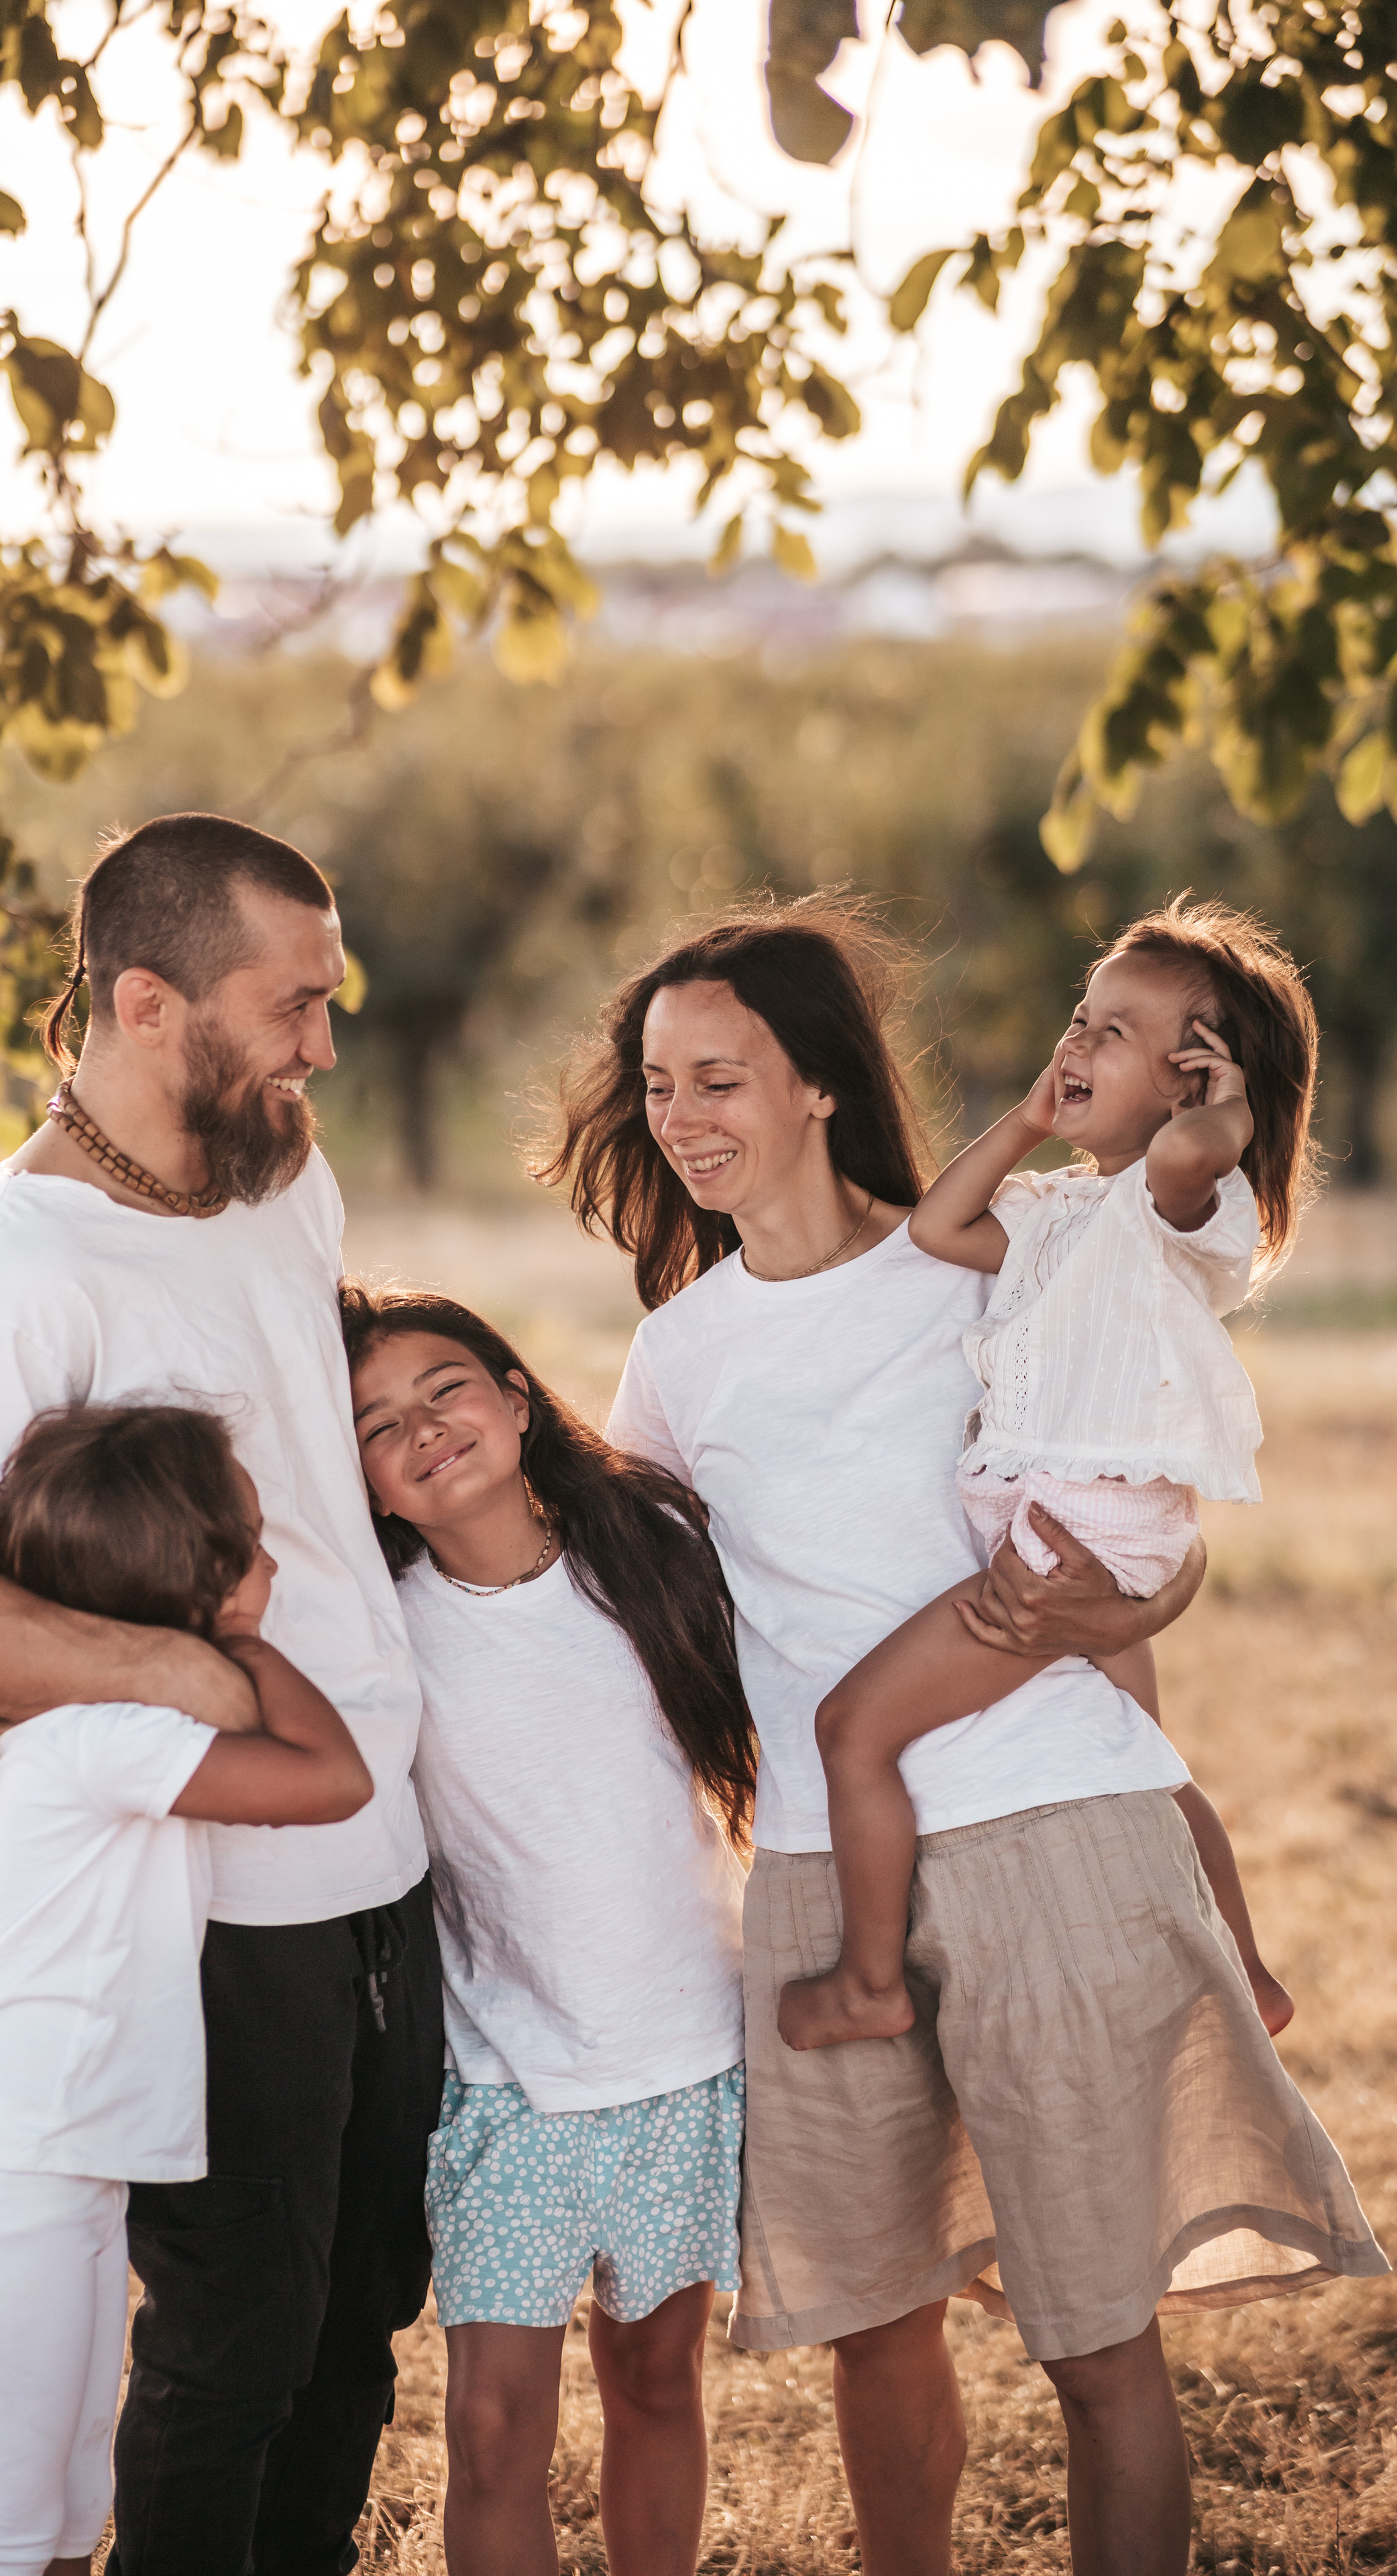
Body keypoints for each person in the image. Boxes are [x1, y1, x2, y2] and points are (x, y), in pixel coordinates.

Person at [544, 894, 1388, 2576]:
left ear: (818, 1085)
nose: (682, 1117)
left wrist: (1157, 1595)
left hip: (1043, 1826)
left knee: (1090, 2336)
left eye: (721, 1077)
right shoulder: (676, 1356)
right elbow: (628, 1613)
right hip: (814, 1866)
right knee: (873, 2323)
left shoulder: (996, 1261)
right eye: (656, 1084)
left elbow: (1127, 1482)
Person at [0, 814, 444, 2576]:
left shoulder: (280, 1177)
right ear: (143, 1002)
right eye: (291, 1007)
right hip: (223, 1900)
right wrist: (189, 1672)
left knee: (358, 2325)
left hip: (387, 1862)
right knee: (235, 2350)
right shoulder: (18, 1275)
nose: (321, 1048)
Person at [779, 898, 1302, 2052]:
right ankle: (1251, 1972)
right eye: (1081, 1016)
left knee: (853, 1729)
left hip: (1072, 1534)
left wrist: (1224, 1107)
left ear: (1191, 1082)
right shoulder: (1066, 1211)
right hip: (1092, 1526)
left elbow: (1189, 1156)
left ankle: (868, 1980)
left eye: (1115, 1033)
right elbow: (937, 1228)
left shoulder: (1173, 1207)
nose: (1078, 1040)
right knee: (1148, 1762)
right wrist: (1027, 1120)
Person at [0, 1403, 373, 2576]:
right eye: (248, 1547)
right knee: (6, 2532)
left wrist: (210, 1632)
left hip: (61, 2170)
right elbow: (332, 1779)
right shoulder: (100, 1736)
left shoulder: (102, 1725)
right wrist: (239, 1641)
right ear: (185, 1578)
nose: (272, 1565)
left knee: (69, 2517)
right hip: (14, 2176)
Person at [339, 1283, 755, 2576]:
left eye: (447, 1389)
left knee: (655, 2378)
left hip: (684, 2056)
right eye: (378, 1425)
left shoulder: (649, 1552)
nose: (423, 1428)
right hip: (508, 2076)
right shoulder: (380, 1627)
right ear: (366, 1486)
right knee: (491, 2422)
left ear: (517, 1401)